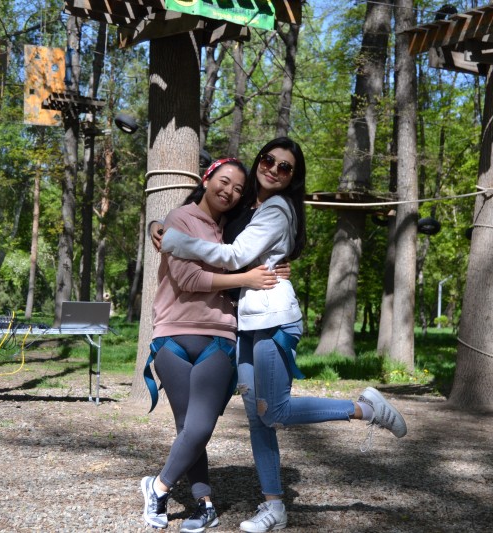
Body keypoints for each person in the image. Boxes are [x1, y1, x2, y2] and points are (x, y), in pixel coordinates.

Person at [159, 137, 408, 533]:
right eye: (268, 159)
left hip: (274, 321)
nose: (274, 169)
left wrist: (174, 241)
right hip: (247, 323)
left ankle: (365, 410)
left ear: (293, 178)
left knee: (273, 411)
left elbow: (235, 257)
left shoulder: (276, 208)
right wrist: (159, 225)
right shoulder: (247, 204)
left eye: (285, 167)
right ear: (259, 160)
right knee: (259, 421)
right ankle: (274, 506)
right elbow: (209, 221)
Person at [141, 158, 281, 533]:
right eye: (224, 181)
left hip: (219, 336)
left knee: (199, 427)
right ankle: (204, 505)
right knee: (188, 427)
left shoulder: (234, 230)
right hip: (172, 334)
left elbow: (269, 249)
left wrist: (274, 269)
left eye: (238, 189)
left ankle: (158, 488)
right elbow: (188, 278)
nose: (229, 191)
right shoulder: (180, 219)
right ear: (206, 179)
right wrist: (244, 278)